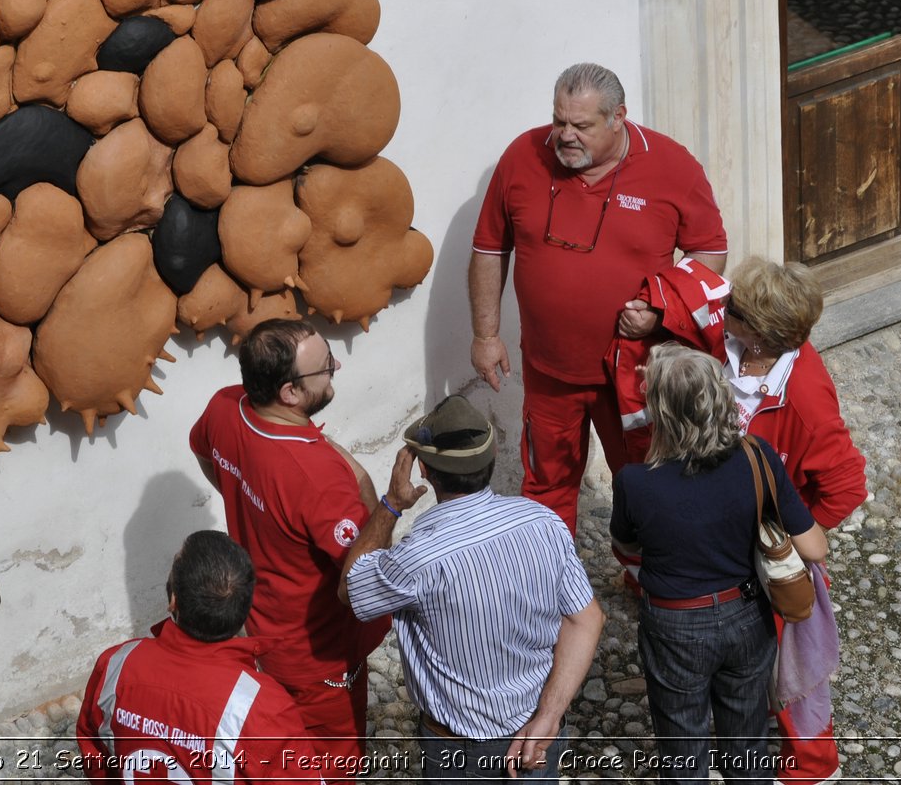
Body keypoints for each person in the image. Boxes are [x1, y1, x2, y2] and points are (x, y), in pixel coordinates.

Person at [469, 61, 727, 534]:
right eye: (558, 120)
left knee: (646, 478)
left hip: (634, 370)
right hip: (549, 370)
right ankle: (553, 590)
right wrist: (485, 335)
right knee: (546, 485)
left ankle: (648, 580)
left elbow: (709, 250)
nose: (564, 135)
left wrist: (660, 308)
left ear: (618, 117)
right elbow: (489, 248)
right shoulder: (521, 157)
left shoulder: (671, 166)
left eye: (581, 125)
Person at [338, 395, 604, 782]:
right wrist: (548, 718)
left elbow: (350, 589)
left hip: (461, 754)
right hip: (542, 732)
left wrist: (392, 504)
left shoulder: (419, 558)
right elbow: (588, 618)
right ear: (493, 455)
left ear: (425, 472)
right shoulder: (542, 522)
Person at [611, 345, 826, 784]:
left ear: (660, 412)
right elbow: (815, 547)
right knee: (747, 743)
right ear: (720, 398)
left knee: (682, 748)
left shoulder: (634, 481)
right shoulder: (758, 457)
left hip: (675, 623)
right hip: (747, 614)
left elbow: (625, 542)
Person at [189, 319, 387, 780]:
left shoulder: (225, 408)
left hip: (260, 631)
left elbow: (202, 450)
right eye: (326, 368)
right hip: (318, 658)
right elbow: (366, 576)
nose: (336, 368)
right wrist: (388, 503)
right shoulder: (317, 476)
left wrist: (240, 496)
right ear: (290, 394)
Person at [713, 257, 867, 784]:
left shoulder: (801, 397)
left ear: (760, 332)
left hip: (766, 553)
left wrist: (794, 536)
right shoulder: (734, 347)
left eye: (731, 308)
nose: (720, 310)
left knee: (789, 661)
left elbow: (847, 482)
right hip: (726, 541)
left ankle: (813, 768)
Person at [75, 531, 326, 783]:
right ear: (243, 610)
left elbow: (94, 753)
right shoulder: (262, 707)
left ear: (173, 600)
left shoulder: (117, 664)